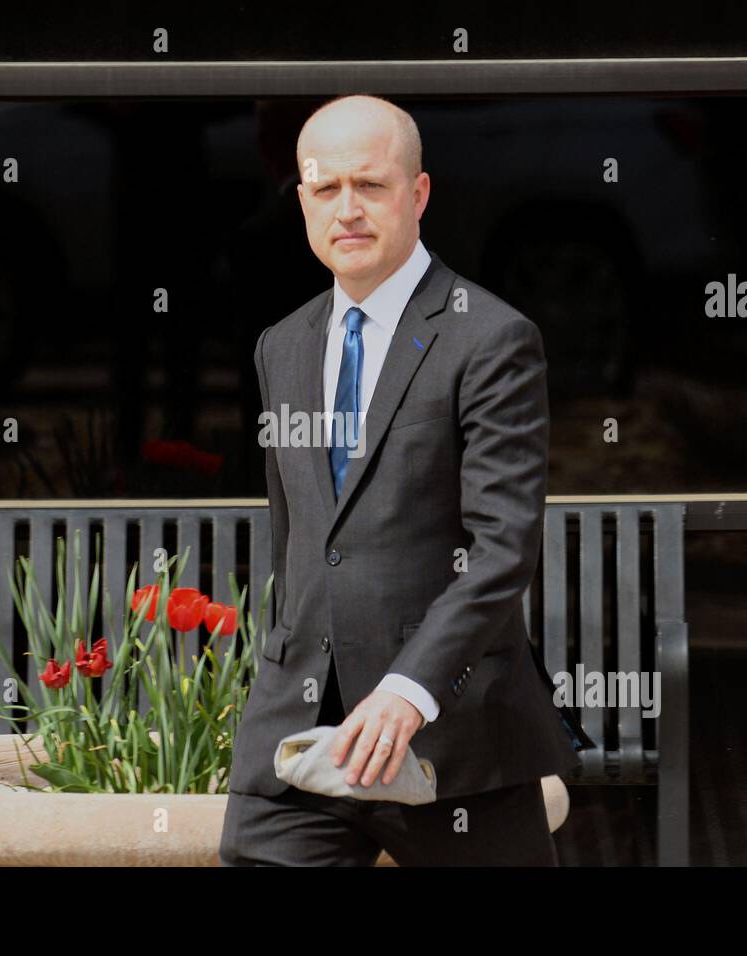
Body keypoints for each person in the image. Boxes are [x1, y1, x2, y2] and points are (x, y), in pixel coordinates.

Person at [219, 94, 584, 866]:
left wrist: (407, 690)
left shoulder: (490, 339)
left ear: (417, 195)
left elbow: (502, 550)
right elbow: (300, 539)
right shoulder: (281, 346)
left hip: (450, 736)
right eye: (324, 189)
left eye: (370, 186)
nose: (345, 209)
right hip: (301, 738)